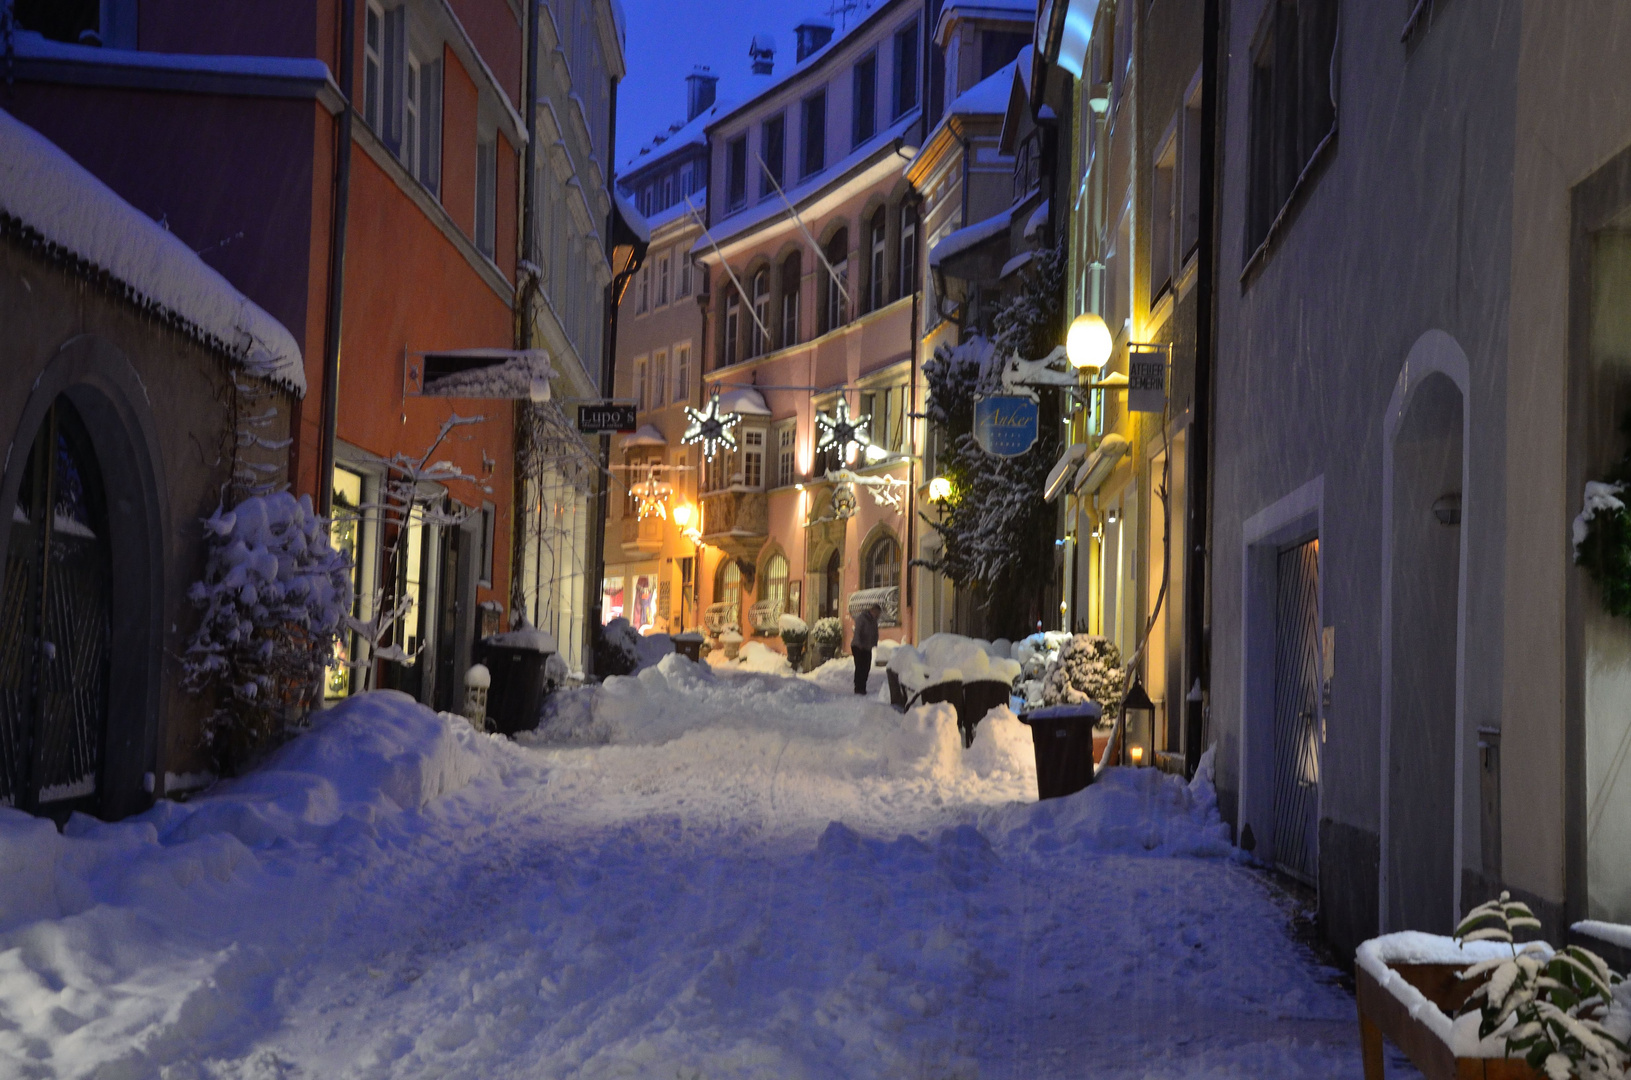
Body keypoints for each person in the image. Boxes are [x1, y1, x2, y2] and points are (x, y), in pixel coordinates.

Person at [851, 602, 880, 695]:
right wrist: (859, 644)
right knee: (860, 667)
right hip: (858, 646)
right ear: (872, 611)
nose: (878, 615)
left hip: (867, 647)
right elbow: (858, 631)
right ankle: (858, 687)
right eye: (877, 613)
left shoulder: (874, 620)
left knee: (866, 667)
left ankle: (863, 686)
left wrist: (874, 643)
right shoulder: (862, 618)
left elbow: (875, 633)